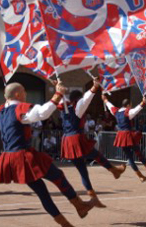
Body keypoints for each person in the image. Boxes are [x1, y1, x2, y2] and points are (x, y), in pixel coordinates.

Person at [0, 81, 95, 227]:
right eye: (24, 92)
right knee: (58, 176)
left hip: (11, 157)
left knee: (42, 192)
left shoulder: (1, 111)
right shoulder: (19, 109)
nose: (26, 95)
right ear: (18, 94)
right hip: (24, 156)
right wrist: (58, 94)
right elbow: (42, 113)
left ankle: (66, 223)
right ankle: (80, 206)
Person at [58, 78, 126, 208]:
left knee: (83, 171)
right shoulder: (77, 107)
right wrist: (94, 88)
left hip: (67, 140)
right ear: (77, 98)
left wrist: (59, 89)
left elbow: (63, 98)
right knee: (96, 155)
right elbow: (85, 100)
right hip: (75, 139)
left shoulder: (65, 107)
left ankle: (93, 197)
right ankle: (113, 170)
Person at [102, 95, 146, 182]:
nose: (131, 106)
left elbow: (110, 106)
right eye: (130, 105)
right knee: (138, 152)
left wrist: (105, 100)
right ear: (128, 105)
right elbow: (136, 110)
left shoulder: (116, 111)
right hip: (128, 135)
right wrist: (143, 103)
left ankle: (141, 175)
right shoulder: (127, 112)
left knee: (130, 157)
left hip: (121, 136)